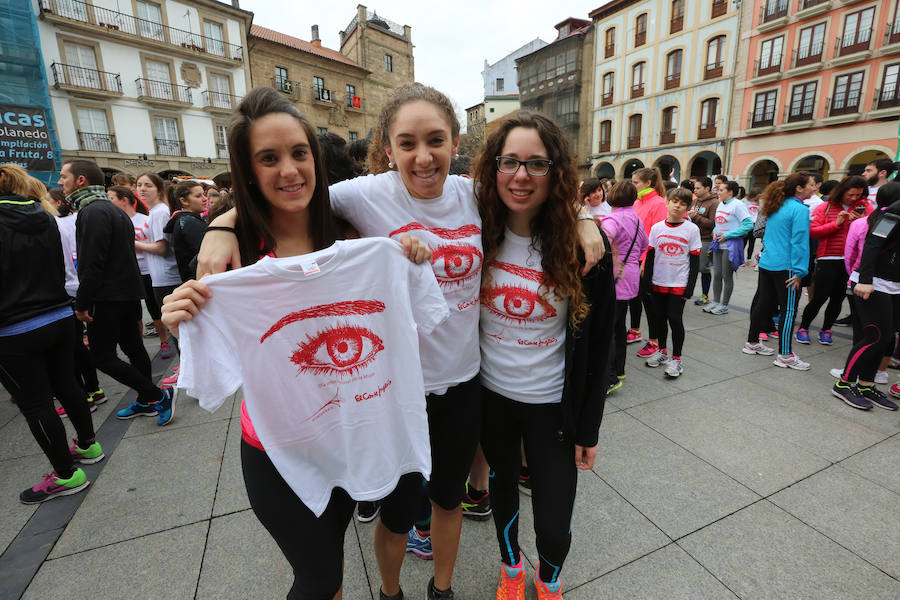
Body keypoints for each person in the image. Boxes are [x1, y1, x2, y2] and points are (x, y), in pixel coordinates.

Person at [192, 83, 605, 600]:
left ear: (456, 142)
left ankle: (442, 590)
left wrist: (587, 218)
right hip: (393, 392)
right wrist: (221, 224)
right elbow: (287, 198)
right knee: (398, 512)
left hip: (464, 382)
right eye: (407, 142)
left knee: (449, 501)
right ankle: (391, 592)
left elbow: (535, 200)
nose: (423, 155)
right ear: (387, 149)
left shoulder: (473, 197)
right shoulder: (363, 194)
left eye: (435, 140)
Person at [162, 86, 444, 600]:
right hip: (281, 449)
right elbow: (215, 372)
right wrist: (185, 325)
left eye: (299, 153)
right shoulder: (231, 258)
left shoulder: (356, 235)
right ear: (248, 171)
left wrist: (408, 257)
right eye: (269, 159)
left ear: (316, 157)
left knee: (366, 544)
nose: (290, 170)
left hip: (366, 429)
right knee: (317, 579)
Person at [472, 110, 613, 600]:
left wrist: (590, 425)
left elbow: (601, 344)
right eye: (510, 161)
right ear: (493, 168)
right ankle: (511, 569)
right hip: (492, 398)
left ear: (556, 172)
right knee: (504, 491)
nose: (521, 176)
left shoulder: (584, 247)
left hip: (553, 405)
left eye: (536, 164)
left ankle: (548, 578)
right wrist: (224, 223)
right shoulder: (477, 232)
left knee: (555, 514)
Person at [0, 164, 104, 504]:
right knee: (67, 385)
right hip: (59, 315)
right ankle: (89, 445)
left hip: (16, 326)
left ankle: (65, 474)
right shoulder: (42, 213)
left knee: (35, 404)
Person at [58, 160, 174, 424]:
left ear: (81, 181)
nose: (59, 182)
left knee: (102, 356)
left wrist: (83, 301)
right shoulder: (112, 210)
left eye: (64, 176)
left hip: (107, 296)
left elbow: (92, 261)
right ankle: (147, 400)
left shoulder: (93, 212)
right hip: (126, 291)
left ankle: (156, 395)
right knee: (134, 348)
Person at [831, 182, 900, 411]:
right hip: (874, 283)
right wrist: (866, 281)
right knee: (874, 337)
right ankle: (844, 384)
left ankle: (865, 385)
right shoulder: (892, 212)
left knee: (886, 337)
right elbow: (872, 244)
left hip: (893, 284)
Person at [743, 172, 814, 369]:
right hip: (787, 267)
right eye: (811, 184)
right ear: (799, 188)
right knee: (789, 310)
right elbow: (799, 241)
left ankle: (752, 342)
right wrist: (800, 271)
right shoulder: (799, 209)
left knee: (763, 304)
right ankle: (785, 355)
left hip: (768, 263)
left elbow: (769, 235)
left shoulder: (777, 205)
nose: (814, 188)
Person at [795, 176, 870, 346]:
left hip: (851, 262)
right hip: (828, 258)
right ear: (842, 191)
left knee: (838, 298)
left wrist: (861, 221)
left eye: (858, 194)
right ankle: (803, 328)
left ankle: (826, 329)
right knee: (819, 297)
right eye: (850, 194)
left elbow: (872, 232)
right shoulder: (825, 207)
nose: (854, 198)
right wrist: (836, 224)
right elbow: (813, 231)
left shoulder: (865, 208)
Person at [643, 188, 701, 377]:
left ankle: (676, 359)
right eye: (674, 201)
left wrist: (690, 287)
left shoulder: (692, 229)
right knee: (659, 318)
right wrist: (647, 282)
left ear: (687, 207)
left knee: (675, 319)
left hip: (679, 283)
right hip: (658, 282)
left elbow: (694, 261)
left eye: (682, 203)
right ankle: (662, 351)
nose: (677, 205)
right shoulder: (657, 228)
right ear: (667, 202)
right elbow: (650, 257)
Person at [600, 180, 648, 393]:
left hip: (615, 275)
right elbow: (645, 244)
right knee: (619, 326)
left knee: (609, 328)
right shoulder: (636, 219)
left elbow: (602, 243)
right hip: (630, 276)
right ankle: (619, 369)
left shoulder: (613, 219)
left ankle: (609, 377)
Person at [133, 172, 180, 359]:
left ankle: (184, 367)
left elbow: (163, 248)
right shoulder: (154, 212)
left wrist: (132, 243)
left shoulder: (160, 212)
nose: (142, 189)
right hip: (159, 276)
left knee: (176, 327)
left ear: (159, 189)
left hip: (167, 276)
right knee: (173, 326)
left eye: (148, 185)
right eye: (139, 184)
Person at [628, 167, 667, 356]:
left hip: (647, 260)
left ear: (648, 183)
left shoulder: (659, 203)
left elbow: (657, 236)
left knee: (649, 302)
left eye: (636, 182)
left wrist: (645, 263)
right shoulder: (636, 202)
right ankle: (635, 330)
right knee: (633, 297)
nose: (633, 186)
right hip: (633, 258)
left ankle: (655, 340)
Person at [704, 180, 752, 315]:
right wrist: (715, 231)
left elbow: (748, 225)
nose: (717, 192)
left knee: (726, 275)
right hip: (718, 244)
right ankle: (715, 301)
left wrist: (728, 235)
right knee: (717, 274)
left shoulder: (738, 205)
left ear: (730, 192)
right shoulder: (721, 204)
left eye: (721, 190)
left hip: (731, 246)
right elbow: (718, 223)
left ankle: (724, 305)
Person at [163, 181, 208, 282]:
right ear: (184, 201)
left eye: (204, 194)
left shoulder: (188, 220)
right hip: (198, 280)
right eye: (198, 196)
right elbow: (204, 254)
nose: (205, 199)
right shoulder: (189, 222)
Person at [686, 176, 718, 305]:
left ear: (707, 188)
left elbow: (712, 223)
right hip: (691, 238)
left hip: (705, 239)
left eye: (698, 188)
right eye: (695, 188)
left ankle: (705, 295)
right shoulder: (695, 201)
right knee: (689, 267)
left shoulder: (714, 203)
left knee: (703, 268)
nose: (695, 190)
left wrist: (696, 217)